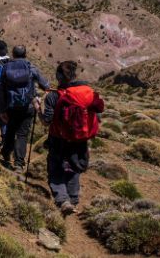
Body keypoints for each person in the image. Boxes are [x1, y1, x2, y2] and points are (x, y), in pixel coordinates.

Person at [41, 61, 104, 215]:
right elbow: (97, 116)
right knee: (73, 166)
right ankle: (73, 198)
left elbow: (46, 121)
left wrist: (38, 108)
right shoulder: (87, 93)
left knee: (55, 169)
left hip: (58, 138)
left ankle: (63, 200)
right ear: (75, 75)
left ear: (58, 76)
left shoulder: (53, 96)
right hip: (80, 138)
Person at [0, 45, 50, 172]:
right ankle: (19, 163)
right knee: (22, 134)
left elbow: (0, 90)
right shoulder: (31, 67)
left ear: (13, 54)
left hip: (10, 106)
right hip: (28, 106)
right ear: (25, 54)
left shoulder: (6, 67)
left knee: (10, 130)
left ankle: (6, 152)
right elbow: (46, 85)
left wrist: (2, 110)